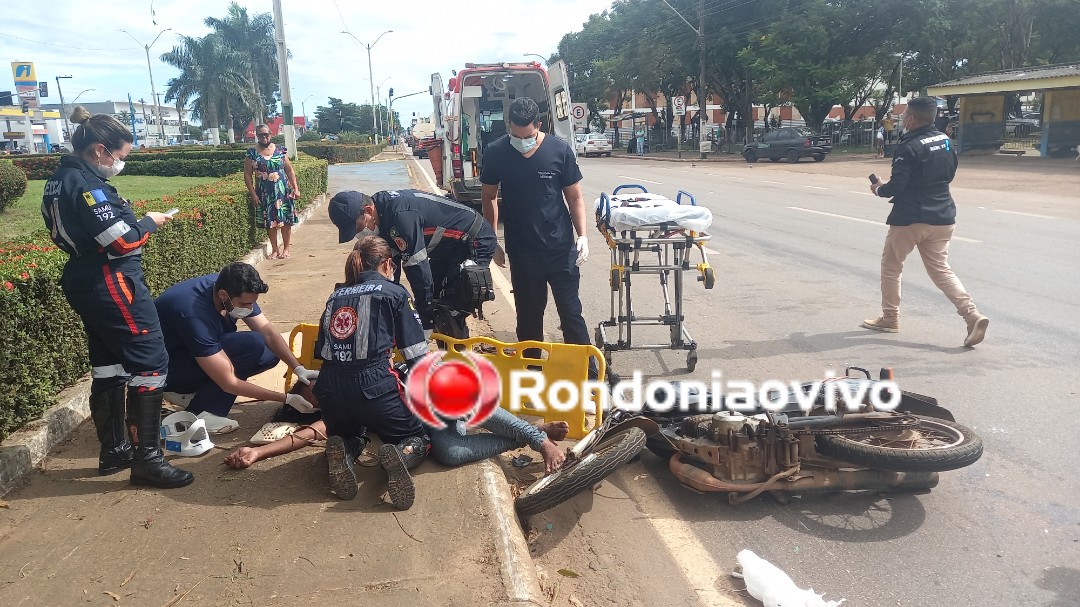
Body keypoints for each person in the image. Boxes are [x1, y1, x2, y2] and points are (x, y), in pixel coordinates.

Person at [40, 106, 192, 488]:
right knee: (151, 362)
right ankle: (148, 460)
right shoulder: (87, 186)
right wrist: (148, 222)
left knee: (109, 366)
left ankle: (115, 450)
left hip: (83, 277)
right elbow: (122, 240)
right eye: (120, 156)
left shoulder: (58, 180)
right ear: (100, 150)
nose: (119, 163)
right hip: (112, 282)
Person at [312, 236, 432, 508]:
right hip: (374, 386)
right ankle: (401, 453)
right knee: (418, 437)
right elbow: (415, 353)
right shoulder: (394, 292)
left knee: (351, 433)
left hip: (330, 388)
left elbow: (322, 349)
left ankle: (345, 450)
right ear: (388, 264)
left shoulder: (335, 296)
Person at [864, 96, 989, 347]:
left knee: (891, 267)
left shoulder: (908, 146)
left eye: (903, 116)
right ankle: (971, 314)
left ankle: (890, 318)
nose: (902, 120)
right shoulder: (944, 140)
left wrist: (879, 189)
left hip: (911, 218)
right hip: (943, 216)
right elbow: (950, 173)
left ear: (911, 119)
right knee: (941, 270)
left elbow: (897, 186)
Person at [479, 97, 592, 362]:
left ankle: (589, 374)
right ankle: (532, 374)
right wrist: (491, 239)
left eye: (527, 135)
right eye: (515, 135)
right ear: (509, 126)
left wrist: (583, 236)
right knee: (529, 316)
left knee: (571, 312)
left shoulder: (559, 150)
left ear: (538, 125)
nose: (521, 142)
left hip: (560, 247)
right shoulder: (496, 152)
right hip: (522, 250)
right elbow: (489, 197)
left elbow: (574, 197)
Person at [154, 262, 318, 433]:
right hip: (168, 369)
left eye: (253, 303)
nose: (250, 309)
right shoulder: (192, 312)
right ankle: (201, 411)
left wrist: (298, 368)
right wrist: (286, 398)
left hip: (194, 354)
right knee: (251, 345)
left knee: (269, 352)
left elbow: (268, 333)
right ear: (223, 295)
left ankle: (199, 393)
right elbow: (228, 382)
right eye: (245, 304)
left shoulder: (230, 287)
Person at [327, 189, 497, 339]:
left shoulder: (400, 217)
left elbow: (418, 272)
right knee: (435, 301)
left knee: (449, 311)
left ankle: (460, 361)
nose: (359, 234)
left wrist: (425, 320)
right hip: (446, 249)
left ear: (368, 210)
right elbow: (388, 274)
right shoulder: (382, 217)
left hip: (474, 240)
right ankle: (446, 353)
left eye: (357, 228)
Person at [244, 124, 300, 259]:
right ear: (257, 136)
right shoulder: (251, 153)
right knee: (270, 222)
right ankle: (275, 249)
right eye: (261, 134)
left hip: (282, 191)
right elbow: (247, 174)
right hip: (264, 192)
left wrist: (296, 188)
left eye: (266, 134)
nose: (264, 137)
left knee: (286, 220)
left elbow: (289, 170)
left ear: (271, 134)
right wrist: (253, 193)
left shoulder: (280, 150)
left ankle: (286, 249)